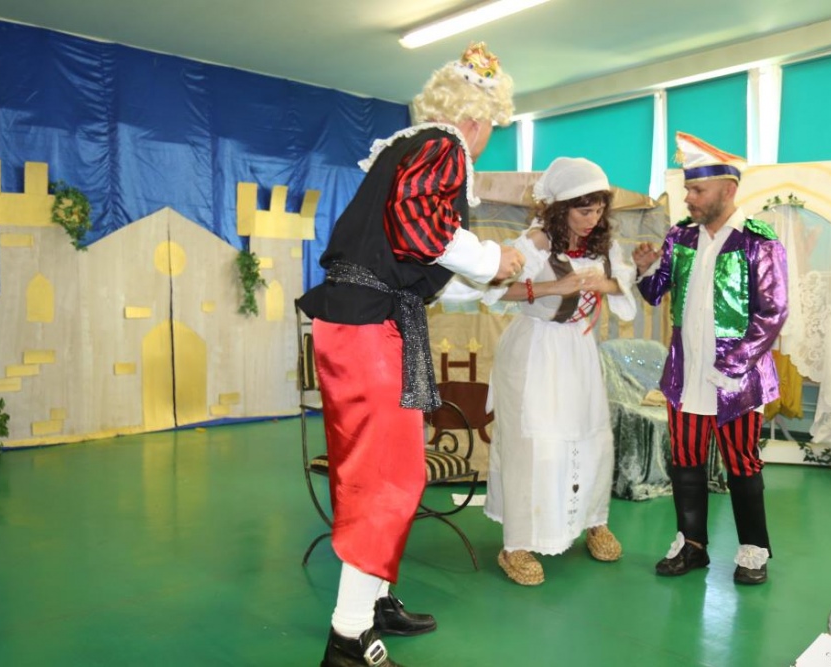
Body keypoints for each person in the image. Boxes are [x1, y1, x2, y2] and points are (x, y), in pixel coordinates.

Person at [296, 42, 522, 667]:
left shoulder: (406, 149)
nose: (487, 140)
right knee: (386, 477)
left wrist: (489, 272)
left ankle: (373, 600)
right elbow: (420, 226)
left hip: (367, 320)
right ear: (477, 119)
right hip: (371, 328)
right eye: (493, 128)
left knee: (390, 470)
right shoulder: (444, 146)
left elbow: (411, 250)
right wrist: (492, 258)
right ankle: (348, 636)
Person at [633, 131, 789, 585]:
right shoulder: (680, 236)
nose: (689, 198)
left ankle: (753, 551)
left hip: (737, 378)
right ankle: (693, 546)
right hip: (686, 375)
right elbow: (655, 292)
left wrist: (733, 366)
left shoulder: (758, 241)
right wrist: (644, 268)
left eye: (697, 190)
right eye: (688, 189)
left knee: (742, 463)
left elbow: (773, 312)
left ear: (727, 189)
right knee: (685, 460)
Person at [474, 157, 638, 585]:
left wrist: (604, 284)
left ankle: (593, 520)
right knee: (536, 444)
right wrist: (553, 287)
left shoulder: (603, 245)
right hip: (535, 351)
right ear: (561, 208)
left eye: (598, 210)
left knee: (590, 435)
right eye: (584, 211)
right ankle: (517, 544)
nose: (592, 219)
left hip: (578, 350)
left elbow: (622, 283)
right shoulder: (534, 243)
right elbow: (493, 289)